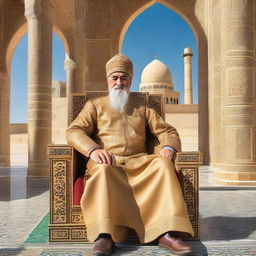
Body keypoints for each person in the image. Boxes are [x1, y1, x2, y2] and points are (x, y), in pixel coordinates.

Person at [66, 54, 194, 256]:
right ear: (108, 80)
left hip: (141, 163)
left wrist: (169, 147)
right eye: (114, 78)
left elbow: (167, 131)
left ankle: (166, 233)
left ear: (130, 80)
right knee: (102, 170)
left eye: (123, 78)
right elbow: (74, 131)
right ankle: (104, 236)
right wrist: (93, 150)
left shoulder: (142, 105)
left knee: (162, 166)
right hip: (110, 162)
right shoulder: (95, 106)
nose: (119, 82)